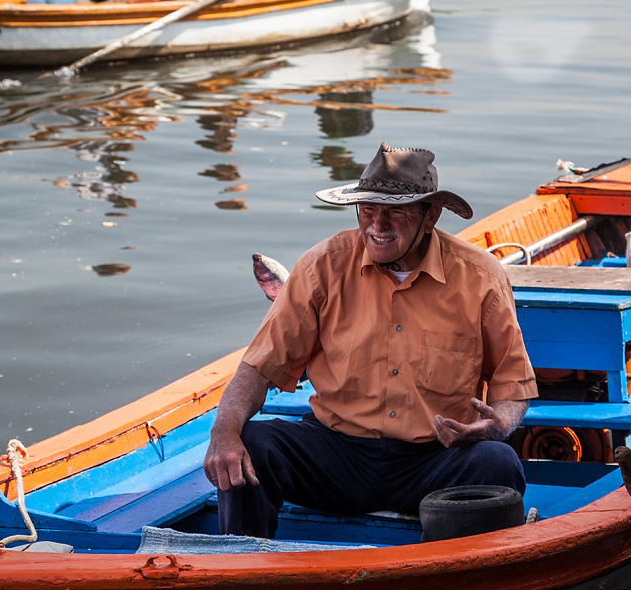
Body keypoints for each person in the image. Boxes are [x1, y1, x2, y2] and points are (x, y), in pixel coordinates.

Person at [203, 142, 536, 538]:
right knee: (251, 443)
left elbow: (513, 386)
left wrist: (494, 425)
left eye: (395, 212)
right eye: (369, 210)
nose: (377, 225)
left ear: (430, 215)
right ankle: (240, 573)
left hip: (434, 460)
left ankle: (459, 584)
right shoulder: (323, 265)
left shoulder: (480, 276)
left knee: (497, 463)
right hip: (337, 454)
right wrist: (223, 432)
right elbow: (258, 367)